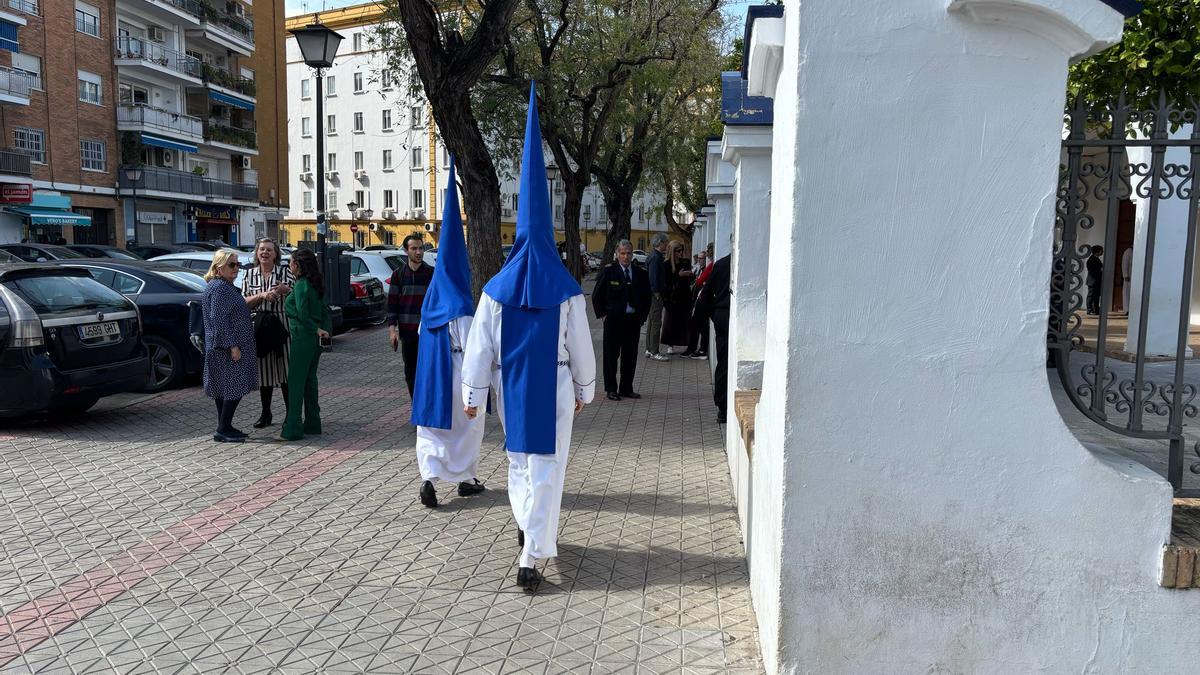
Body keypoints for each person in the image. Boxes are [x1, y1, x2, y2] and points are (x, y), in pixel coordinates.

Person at [462, 86, 596, 593]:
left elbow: (479, 348)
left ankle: (528, 534)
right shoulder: (564, 291)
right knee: (546, 469)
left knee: (521, 462)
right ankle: (532, 549)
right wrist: (585, 389)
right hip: (555, 389)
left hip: (511, 389)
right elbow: (581, 347)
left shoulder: (495, 292)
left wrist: (473, 395)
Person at [410, 158, 486, 508]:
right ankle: (466, 478)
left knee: (431, 428)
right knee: (465, 427)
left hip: (431, 375)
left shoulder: (430, 302)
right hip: (457, 372)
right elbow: (473, 347)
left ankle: (428, 476)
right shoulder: (460, 305)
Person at [202, 249, 258, 443]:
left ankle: (224, 426)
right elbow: (219, 319)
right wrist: (233, 345)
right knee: (235, 386)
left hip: (221, 345)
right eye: (232, 265)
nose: (236, 268)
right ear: (219, 268)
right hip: (227, 347)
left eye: (237, 265)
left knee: (223, 388)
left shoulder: (219, 286)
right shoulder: (220, 288)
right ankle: (223, 428)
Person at [278, 249, 332, 442]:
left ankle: (292, 428)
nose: (290, 266)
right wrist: (324, 331)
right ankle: (312, 423)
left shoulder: (301, 284)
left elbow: (301, 314)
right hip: (315, 341)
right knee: (310, 380)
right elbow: (324, 311)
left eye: (291, 262)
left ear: (298, 265)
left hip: (302, 337)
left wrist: (316, 330)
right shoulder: (315, 284)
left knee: (296, 382)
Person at [242, 238, 294, 428]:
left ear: (276, 254)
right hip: (260, 325)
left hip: (281, 325)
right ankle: (266, 413)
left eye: (269, 250)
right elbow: (244, 302)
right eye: (261, 250)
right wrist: (261, 296)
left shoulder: (285, 272)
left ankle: (291, 414)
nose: (265, 253)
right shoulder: (249, 274)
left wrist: (285, 289)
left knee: (285, 370)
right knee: (264, 372)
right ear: (257, 253)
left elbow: (295, 294)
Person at [592, 239, 651, 401]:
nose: (625, 257)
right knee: (611, 356)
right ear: (617, 254)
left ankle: (626, 388)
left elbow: (647, 297)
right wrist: (604, 316)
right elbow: (597, 297)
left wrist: (642, 317)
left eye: (628, 253)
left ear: (632, 254)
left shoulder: (640, 273)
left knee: (630, 356)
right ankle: (611, 389)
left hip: (632, 321)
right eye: (622, 253)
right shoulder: (609, 272)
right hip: (613, 321)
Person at [387, 233, 434, 397]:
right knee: (410, 372)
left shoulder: (431, 273)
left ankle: (427, 406)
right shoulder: (398, 274)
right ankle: (417, 407)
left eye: (421, 248)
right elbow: (392, 304)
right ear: (406, 251)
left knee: (428, 372)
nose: (419, 252)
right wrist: (392, 331)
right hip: (407, 333)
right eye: (414, 248)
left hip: (429, 332)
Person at [699, 254, 731, 424]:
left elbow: (706, 294)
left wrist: (714, 313)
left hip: (721, 314)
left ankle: (722, 407)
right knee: (725, 361)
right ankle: (724, 406)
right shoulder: (746, 261)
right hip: (726, 314)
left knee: (723, 361)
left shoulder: (721, 264)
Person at [659, 240, 695, 353]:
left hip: (684, 296)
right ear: (672, 252)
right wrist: (679, 276)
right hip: (672, 298)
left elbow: (689, 280)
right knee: (671, 321)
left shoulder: (685, 262)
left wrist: (690, 275)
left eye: (681, 250)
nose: (681, 253)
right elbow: (667, 283)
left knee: (685, 320)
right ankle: (670, 344)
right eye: (678, 251)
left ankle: (687, 343)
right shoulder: (666, 264)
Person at [644, 233, 670, 361]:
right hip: (655, 295)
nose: (667, 244)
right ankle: (654, 350)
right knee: (655, 323)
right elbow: (653, 278)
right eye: (665, 242)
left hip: (653, 294)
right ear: (660, 243)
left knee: (652, 322)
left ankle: (649, 349)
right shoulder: (655, 257)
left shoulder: (654, 256)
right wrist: (657, 293)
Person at [1086, 245, 1104, 316]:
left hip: (1096, 281)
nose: (1102, 252)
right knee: (1091, 295)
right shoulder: (1092, 259)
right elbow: (1093, 270)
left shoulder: (1096, 259)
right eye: (1101, 250)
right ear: (1097, 251)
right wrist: (1101, 270)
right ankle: (1089, 309)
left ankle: (1095, 309)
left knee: (1096, 295)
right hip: (1093, 281)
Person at [1122, 246, 1133, 314]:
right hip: (1129, 275)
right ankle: (1127, 309)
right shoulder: (1128, 251)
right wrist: (1125, 275)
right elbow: (1124, 264)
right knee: (1127, 292)